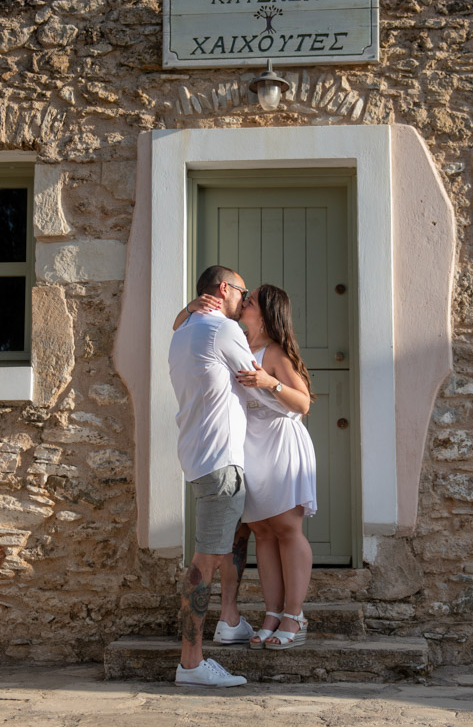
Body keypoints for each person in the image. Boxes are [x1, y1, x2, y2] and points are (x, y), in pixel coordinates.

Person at [167, 265, 259, 688]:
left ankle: (229, 621)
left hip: (201, 456)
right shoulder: (223, 329)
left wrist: (188, 308)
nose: (245, 299)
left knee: (229, 540)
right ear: (224, 289)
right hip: (220, 460)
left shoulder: (183, 330)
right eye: (242, 291)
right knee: (205, 561)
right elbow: (253, 378)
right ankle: (191, 664)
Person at [234, 284, 317, 650]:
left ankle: (294, 616)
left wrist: (270, 383)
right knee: (262, 531)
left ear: (266, 314)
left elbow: (303, 403)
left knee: (286, 528)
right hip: (251, 443)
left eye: (250, 300)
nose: (243, 302)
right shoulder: (238, 345)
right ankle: (271, 614)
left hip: (280, 442)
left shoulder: (275, 352)